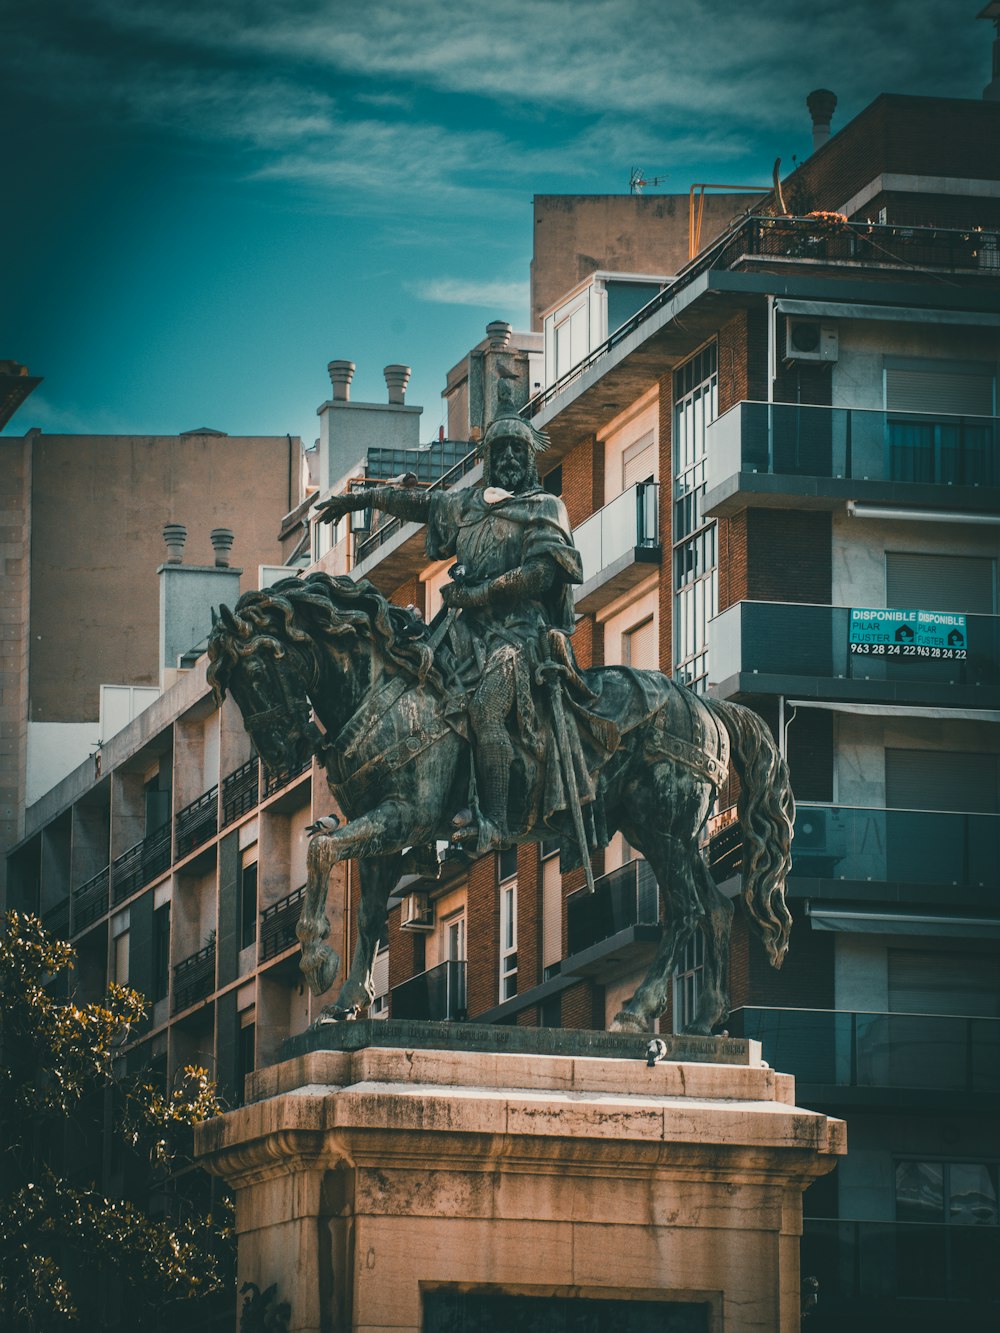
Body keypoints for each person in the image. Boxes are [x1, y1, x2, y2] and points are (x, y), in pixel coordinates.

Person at [316, 415, 586, 852]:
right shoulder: (468, 505)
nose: (512, 457)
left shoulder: (544, 507)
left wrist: (480, 593)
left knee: (484, 708)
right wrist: (358, 499)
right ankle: (418, 807)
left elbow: (541, 574)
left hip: (521, 633)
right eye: (502, 450)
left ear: (531, 458)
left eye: (520, 449)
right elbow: (420, 505)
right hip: (462, 630)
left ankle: (495, 820)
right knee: (412, 693)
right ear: (489, 459)